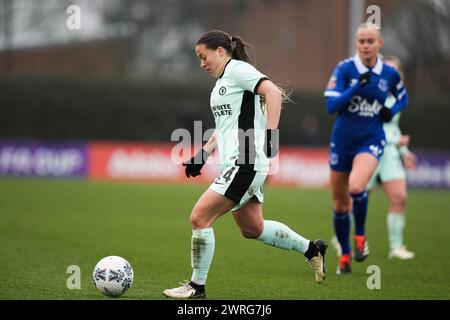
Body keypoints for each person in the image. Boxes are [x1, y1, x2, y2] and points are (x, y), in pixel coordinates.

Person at [164, 30, 327, 299]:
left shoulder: (238, 69)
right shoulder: (220, 85)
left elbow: (272, 93)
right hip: (240, 162)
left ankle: (196, 287)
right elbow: (223, 127)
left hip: (246, 160)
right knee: (253, 228)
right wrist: (203, 154)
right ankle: (312, 249)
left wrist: (271, 137)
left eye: (203, 57)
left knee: (199, 217)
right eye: (198, 59)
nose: (201, 63)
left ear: (220, 51)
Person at [324, 23, 409, 274]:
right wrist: (355, 87)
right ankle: (345, 257)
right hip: (342, 140)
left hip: (370, 139)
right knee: (340, 205)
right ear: (356, 43)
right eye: (361, 41)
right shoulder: (345, 68)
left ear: (379, 44)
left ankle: (360, 237)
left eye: (370, 41)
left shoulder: (389, 74)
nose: (365, 45)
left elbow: (403, 97)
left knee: (357, 187)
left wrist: (390, 111)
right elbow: (331, 106)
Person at [366, 55, 416, 260]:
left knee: (399, 198)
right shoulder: (370, 94)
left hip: (389, 153)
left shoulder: (397, 97)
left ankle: (396, 247)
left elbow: (392, 127)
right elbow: (369, 125)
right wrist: (398, 143)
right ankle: (346, 239)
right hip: (368, 150)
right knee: (358, 198)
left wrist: (402, 151)